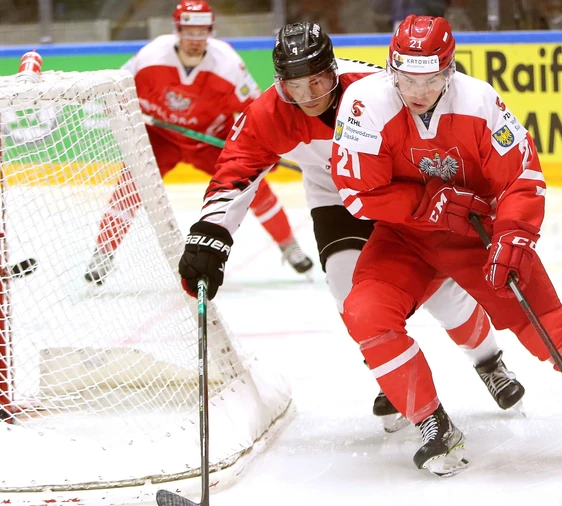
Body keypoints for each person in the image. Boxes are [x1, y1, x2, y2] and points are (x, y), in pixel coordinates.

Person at [331, 15, 562, 476]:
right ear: (391, 68)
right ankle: (432, 424)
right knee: (365, 312)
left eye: (431, 79)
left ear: (449, 69)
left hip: (477, 235)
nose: (418, 91)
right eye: (407, 79)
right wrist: (430, 205)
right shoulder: (365, 103)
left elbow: (521, 175)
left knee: (547, 326)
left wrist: (513, 233)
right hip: (406, 237)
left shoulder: (479, 101)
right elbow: (359, 192)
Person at [176, 21, 526, 435]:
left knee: (441, 293)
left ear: (334, 71)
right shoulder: (268, 114)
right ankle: (391, 372)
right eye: (295, 86)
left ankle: (488, 360)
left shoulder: (374, 86)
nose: (308, 96)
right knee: (346, 287)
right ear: (280, 84)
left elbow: (437, 117)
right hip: (335, 196)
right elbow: (236, 169)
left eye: (318, 81)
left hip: (397, 188)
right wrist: (211, 234)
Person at [84, 0, 313, 285]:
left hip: (212, 139)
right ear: (177, 30)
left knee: (253, 186)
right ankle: (103, 253)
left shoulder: (228, 64)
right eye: (189, 32)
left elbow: (256, 111)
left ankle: (289, 246)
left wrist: (267, 149)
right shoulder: (151, 56)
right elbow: (116, 92)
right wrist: (123, 109)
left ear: (211, 31)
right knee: (129, 188)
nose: (195, 39)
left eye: (202, 32)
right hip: (160, 138)